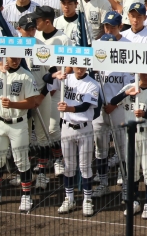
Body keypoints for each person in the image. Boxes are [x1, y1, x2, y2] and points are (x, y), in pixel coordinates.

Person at [0, 56, 38, 211]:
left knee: (22, 161)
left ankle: (26, 196)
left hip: (18, 123)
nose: (15, 61)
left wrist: (12, 104)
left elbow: (32, 102)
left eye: (18, 58)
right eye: (12, 58)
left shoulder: (26, 76)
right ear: (5, 57)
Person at [109, 72, 147, 218]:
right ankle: (134, 201)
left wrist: (145, 114)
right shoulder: (129, 87)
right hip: (130, 134)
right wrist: (127, 93)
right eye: (143, 73)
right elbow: (112, 102)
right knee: (132, 169)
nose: (146, 76)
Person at [52, 66, 100, 217]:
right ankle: (69, 198)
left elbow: (85, 106)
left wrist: (68, 108)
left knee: (85, 166)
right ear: (73, 66)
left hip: (84, 128)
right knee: (69, 166)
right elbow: (46, 80)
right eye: (77, 67)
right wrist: (55, 75)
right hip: (67, 127)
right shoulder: (66, 79)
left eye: (83, 67)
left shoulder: (93, 84)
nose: (80, 69)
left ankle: (87, 200)